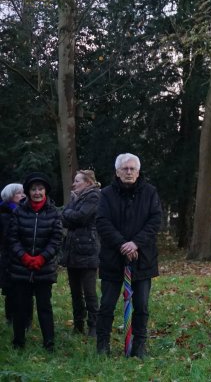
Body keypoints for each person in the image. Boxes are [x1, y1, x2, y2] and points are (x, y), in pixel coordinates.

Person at [96, 153, 162, 358]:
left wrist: (135, 243)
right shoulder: (106, 194)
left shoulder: (150, 192)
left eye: (132, 169)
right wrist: (122, 244)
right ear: (117, 172)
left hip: (143, 259)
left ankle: (139, 346)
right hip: (113, 259)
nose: (129, 172)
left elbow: (155, 221)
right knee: (107, 305)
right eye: (125, 169)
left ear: (138, 171)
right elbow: (102, 222)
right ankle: (102, 345)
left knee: (141, 305)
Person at [6, 173, 64, 351]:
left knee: (44, 306)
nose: (37, 192)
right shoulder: (18, 212)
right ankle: (19, 342)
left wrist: (41, 258)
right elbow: (12, 238)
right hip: (21, 267)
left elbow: (56, 239)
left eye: (40, 189)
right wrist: (24, 257)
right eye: (33, 189)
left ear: (45, 191)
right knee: (20, 307)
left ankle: (49, 342)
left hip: (43, 268)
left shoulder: (54, 213)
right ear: (28, 192)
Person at [61, 170, 102, 337]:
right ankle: (78, 325)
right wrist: (67, 214)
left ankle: (94, 326)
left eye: (77, 181)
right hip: (72, 251)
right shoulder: (76, 198)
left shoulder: (94, 197)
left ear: (88, 182)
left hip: (88, 250)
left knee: (89, 291)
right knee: (75, 291)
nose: (74, 184)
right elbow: (64, 218)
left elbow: (80, 217)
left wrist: (66, 213)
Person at [0, 183, 26, 326]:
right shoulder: (4, 213)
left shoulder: (24, 211)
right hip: (9, 257)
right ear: (10, 196)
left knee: (24, 290)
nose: (23, 196)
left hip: (23, 256)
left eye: (23, 193)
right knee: (10, 290)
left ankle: (24, 319)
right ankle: (11, 319)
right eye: (19, 193)